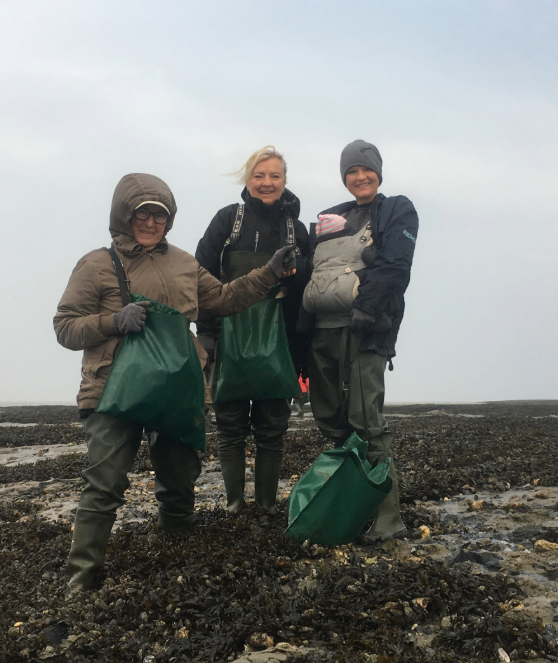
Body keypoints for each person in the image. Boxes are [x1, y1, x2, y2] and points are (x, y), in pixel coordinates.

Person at [53, 173, 295, 593]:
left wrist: (268, 273)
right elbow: (65, 327)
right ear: (124, 216)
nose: (151, 223)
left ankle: (175, 559)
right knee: (105, 482)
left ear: (169, 220)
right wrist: (113, 321)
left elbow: (222, 299)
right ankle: (82, 577)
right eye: (142, 214)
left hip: (177, 391)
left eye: (160, 216)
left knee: (180, 480)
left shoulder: (184, 262)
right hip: (113, 391)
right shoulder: (96, 264)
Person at [301, 140, 418, 540]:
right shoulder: (332, 217)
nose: (359, 177)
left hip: (367, 331)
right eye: (351, 171)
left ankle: (389, 518)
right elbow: (312, 271)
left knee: (367, 420)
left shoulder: (396, 209)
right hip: (323, 332)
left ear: (378, 173)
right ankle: (352, 505)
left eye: (366, 170)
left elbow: (396, 266)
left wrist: (366, 308)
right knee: (329, 418)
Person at [194, 146, 312, 513]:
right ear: (247, 181)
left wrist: (298, 272)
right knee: (229, 426)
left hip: (278, 339)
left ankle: (265, 505)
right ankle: (233, 504)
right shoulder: (227, 220)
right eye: (259, 176)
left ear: (285, 181)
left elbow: (306, 288)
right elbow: (200, 274)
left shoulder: (298, 230)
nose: (267, 182)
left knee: (272, 427)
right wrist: (208, 335)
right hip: (229, 334)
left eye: (274, 176)